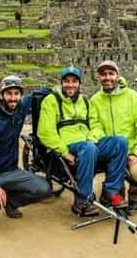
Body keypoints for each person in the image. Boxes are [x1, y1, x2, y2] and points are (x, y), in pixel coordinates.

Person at [38, 66, 128, 217]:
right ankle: (82, 200)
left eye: (74, 81)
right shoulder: (51, 101)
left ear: (79, 84)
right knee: (88, 149)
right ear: (61, 83)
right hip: (68, 144)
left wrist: (92, 139)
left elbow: (96, 126)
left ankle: (111, 191)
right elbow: (46, 132)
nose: (70, 85)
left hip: (88, 142)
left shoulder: (86, 102)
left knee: (120, 142)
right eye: (66, 81)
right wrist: (64, 152)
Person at [0, 75, 52, 230]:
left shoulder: (21, 107)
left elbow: (40, 93)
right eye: (9, 93)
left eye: (16, 93)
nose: (13, 98)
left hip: (11, 170)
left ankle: (11, 202)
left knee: (44, 189)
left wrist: (58, 91)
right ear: (1, 95)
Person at [90, 60, 137, 216]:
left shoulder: (132, 97)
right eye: (103, 74)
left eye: (111, 73)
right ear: (99, 78)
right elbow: (94, 125)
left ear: (118, 75)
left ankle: (133, 198)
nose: (107, 77)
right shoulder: (95, 100)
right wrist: (111, 145)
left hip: (131, 149)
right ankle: (112, 194)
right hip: (110, 148)